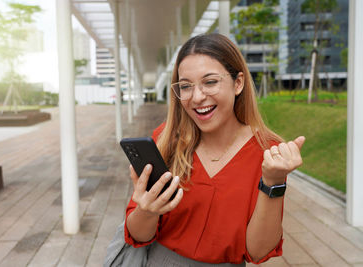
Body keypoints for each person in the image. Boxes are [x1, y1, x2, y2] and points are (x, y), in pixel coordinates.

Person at [124, 33, 305, 266]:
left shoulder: (268, 152)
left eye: (210, 82)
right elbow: (138, 234)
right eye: (186, 86)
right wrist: (146, 211)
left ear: (238, 83)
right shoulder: (166, 139)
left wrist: (274, 182)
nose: (197, 97)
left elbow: (259, 252)